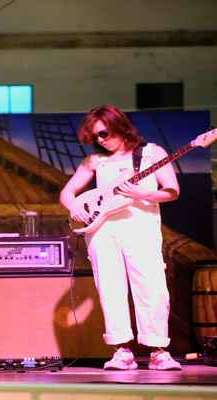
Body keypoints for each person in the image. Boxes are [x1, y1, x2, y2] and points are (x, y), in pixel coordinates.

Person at [60, 105, 182, 371]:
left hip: (141, 226)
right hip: (102, 230)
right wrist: (74, 207)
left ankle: (158, 350)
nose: (100, 141)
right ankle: (121, 350)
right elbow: (68, 193)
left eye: (103, 134)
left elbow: (172, 191)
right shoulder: (95, 160)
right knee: (110, 288)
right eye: (94, 138)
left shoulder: (151, 153)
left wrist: (143, 194)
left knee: (151, 287)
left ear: (119, 127)